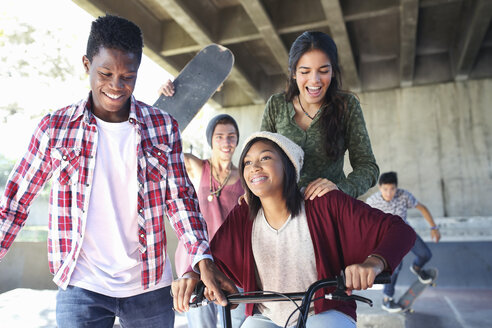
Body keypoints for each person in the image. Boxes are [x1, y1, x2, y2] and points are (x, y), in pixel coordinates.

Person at [0, 14, 235, 327]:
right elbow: (15, 201)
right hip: (81, 284)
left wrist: (201, 257)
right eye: (106, 73)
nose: (115, 86)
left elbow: (180, 199)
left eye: (128, 77)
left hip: (150, 286)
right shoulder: (55, 128)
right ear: (87, 64)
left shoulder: (161, 127)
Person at [172, 131, 416, 327]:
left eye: (265, 158)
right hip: (266, 316)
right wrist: (191, 277)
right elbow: (212, 261)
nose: (254, 167)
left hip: (323, 311)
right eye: (247, 162)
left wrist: (373, 263)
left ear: (289, 165)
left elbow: (400, 230)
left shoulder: (324, 202)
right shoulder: (243, 215)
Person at [261, 31, 379, 200]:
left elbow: (368, 167)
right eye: (305, 71)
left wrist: (341, 189)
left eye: (323, 70)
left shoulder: (347, 106)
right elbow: (262, 160)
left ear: (333, 71)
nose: (314, 80)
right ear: (294, 73)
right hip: (284, 212)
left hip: (330, 211)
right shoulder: (276, 105)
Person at [174, 114, 246, 328]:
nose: (226, 142)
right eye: (220, 136)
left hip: (234, 265)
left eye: (231, 136)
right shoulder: (198, 168)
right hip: (197, 263)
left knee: (237, 323)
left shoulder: (245, 177)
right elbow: (169, 147)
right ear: (211, 140)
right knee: (201, 325)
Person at [366, 171, 441, 313]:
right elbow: (364, 222)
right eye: (385, 189)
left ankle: (417, 268)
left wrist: (434, 227)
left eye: (392, 189)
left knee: (425, 254)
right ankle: (387, 300)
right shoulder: (372, 201)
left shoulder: (404, 195)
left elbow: (422, 208)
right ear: (380, 188)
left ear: (396, 188)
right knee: (395, 267)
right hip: (387, 238)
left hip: (405, 233)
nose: (389, 193)